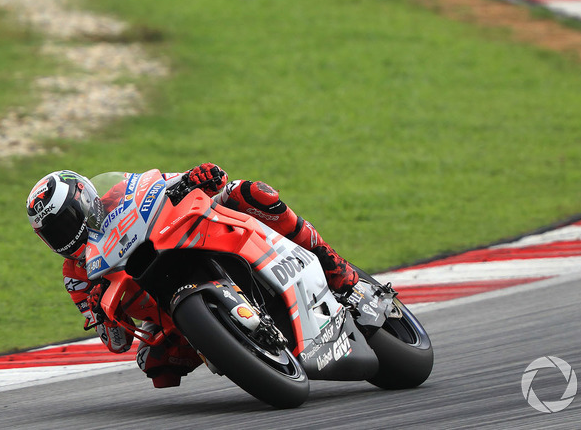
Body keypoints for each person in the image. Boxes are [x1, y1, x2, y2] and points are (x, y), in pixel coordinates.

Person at [26, 163, 359, 388]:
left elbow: (166, 183)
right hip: (163, 310)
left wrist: (196, 177)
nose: (65, 235)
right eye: (54, 233)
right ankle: (225, 344)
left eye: (68, 220)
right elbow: (116, 344)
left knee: (249, 192)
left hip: (184, 241)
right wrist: (104, 316)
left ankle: (330, 261)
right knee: (155, 366)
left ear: (86, 200)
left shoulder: (116, 195)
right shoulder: (76, 276)